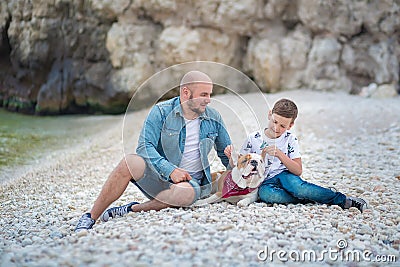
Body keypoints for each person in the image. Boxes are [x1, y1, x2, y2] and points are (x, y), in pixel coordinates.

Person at [75, 71, 232, 232]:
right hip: (158, 179)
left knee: (184, 194)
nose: (208, 100)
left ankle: (132, 209)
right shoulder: (161, 111)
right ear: (186, 93)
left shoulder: (214, 118)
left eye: (210, 94)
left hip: (190, 185)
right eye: (203, 94)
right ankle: (91, 216)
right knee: (129, 162)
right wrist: (170, 170)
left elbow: (226, 154)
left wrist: (238, 168)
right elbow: (144, 146)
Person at [225, 98, 367, 212]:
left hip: (285, 175)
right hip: (264, 181)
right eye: (274, 121)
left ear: (290, 126)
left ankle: (342, 200)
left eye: (282, 126)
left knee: (298, 188)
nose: (276, 128)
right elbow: (239, 166)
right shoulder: (253, 138)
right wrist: (231, 157)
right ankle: (313, 196)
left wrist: (280, 154)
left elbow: (298, 170)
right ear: (269, 114)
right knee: (266, 195)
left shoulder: (289, 139)